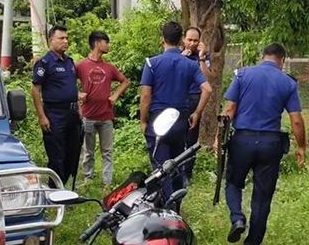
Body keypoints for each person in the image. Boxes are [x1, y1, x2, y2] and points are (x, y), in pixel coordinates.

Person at [219, 43, 306, 245]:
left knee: (233, 182)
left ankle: (237, 218)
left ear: (262, 56)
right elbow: (296, 121)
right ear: (282, 60)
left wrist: (218, 139)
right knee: (262, 196)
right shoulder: (287, 83)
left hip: (242, 140)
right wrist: (302, 146)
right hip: (270, 143)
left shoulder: (242, 75)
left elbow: (229, 110)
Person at [139, 21, 212, 205]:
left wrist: (143, 120)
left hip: (159, 121)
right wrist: (196, 113)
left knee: (160, 167)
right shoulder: (190, 64)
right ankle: (176, 205)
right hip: (180, 120)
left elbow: (146, 96)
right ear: (181, 39)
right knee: (177, 164)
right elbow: (207, 89)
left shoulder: (152, 63)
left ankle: (167, 209)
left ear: (162, 39)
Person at [76, 30, 130, 187]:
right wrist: (78, 93)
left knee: (107, 151)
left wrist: (115, 95)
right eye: (106, 42)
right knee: (88, 152)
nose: (108, 45)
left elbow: (125, 82)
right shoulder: (81, 65)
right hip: (88, 115)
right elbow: (66, 82)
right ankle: (88, 180)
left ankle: (107, 183)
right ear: (97, 43)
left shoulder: (109, 67)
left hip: (106, 116)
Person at [31, 25, 83, 185]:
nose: (65, 41)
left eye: (67, 38)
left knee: (72, 153)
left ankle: (62, 188)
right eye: (61, 38)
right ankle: (54, 192)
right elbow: (35, 90)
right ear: (51, 40)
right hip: (54, 115)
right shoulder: (44, 63)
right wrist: (42, 117)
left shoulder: (69, 62)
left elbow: (73, 88)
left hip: (72, 114)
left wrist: (79, 109)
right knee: (57, 155)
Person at [181, 26, 211, 183]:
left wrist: (201, 57)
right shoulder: (178, 56)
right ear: (183, 40)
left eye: (195, 40)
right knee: (177, 135)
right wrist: (182, 57)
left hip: (195, 99)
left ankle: (187, 173)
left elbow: (206, 78)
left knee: (191, 138)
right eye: (189, 40)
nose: (192, 43)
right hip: (179, 99)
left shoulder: (203, 56)